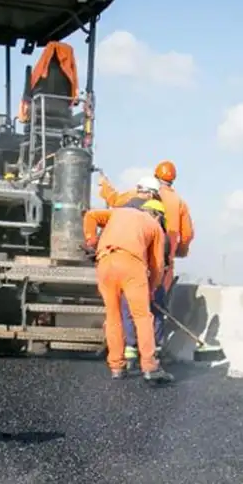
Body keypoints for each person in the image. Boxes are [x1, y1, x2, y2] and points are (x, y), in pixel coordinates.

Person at [99, 162, 195, 364]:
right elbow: (186, 236)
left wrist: (104, 187)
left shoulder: (139, 194)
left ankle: (131, 347)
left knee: (130, 304)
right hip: (162, 261)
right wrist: (179, 253)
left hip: (137, 259)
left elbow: (115, 201)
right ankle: (155, 348)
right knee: (156, 302)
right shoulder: (179, 202)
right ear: (173, 179)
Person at [82, 200, 174, 384]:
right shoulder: (154, 226)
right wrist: (151, 289)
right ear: (157, 215)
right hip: (131, 264)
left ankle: (117, 366)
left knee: (113, 316)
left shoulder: (118, 212)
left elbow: (90, 215)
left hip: (105, 262)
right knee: (142, 316)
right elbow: (156, 265)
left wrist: (91, 240)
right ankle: (149, 366)